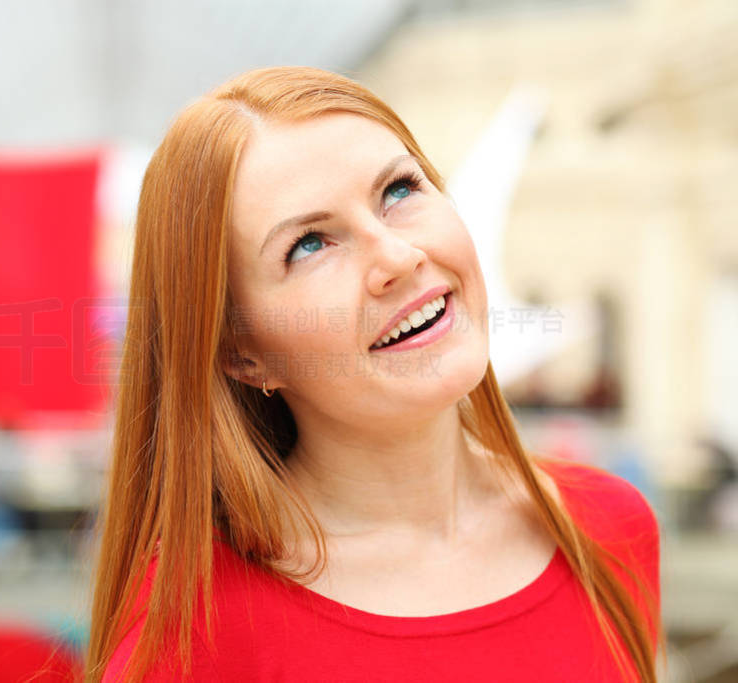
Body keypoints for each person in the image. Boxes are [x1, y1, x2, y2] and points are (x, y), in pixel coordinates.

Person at [86, 66, 664, 682]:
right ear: (242, 353)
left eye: (399, 190)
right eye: (309, 244)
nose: (398, 255)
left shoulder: (610, 528)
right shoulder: (196, 636)